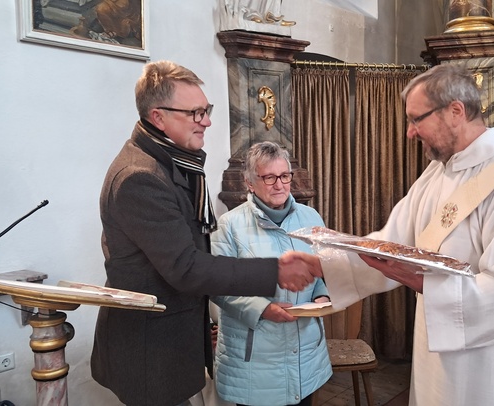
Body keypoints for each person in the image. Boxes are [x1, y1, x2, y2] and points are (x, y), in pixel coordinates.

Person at [318, 64, 494, 405]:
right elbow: (391, 243)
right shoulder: (438, 173)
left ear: (456, 111)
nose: (410, 132)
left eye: (416, 119)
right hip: (440, 359)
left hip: (492, 367)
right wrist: (320, 263)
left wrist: (423, 282)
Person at [91, 60, 322, 406]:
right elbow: (187, 267)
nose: (207, 121)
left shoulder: (170, 164)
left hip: (169, 340)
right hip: (150, 347)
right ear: (158, 117)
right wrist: (275, 271)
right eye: (196, 113)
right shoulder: (140, 176)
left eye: (206, 110)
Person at [210, 141, 332, 406]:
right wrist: (263, 309)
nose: (279, 185)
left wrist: (322, 294)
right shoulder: (229, 225)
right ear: (249, 183)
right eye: (269, 177)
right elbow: (217, 286)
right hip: (255, 361)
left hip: (306, 354)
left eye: (285, 176)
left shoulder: (311, 218)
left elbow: (324, 269)